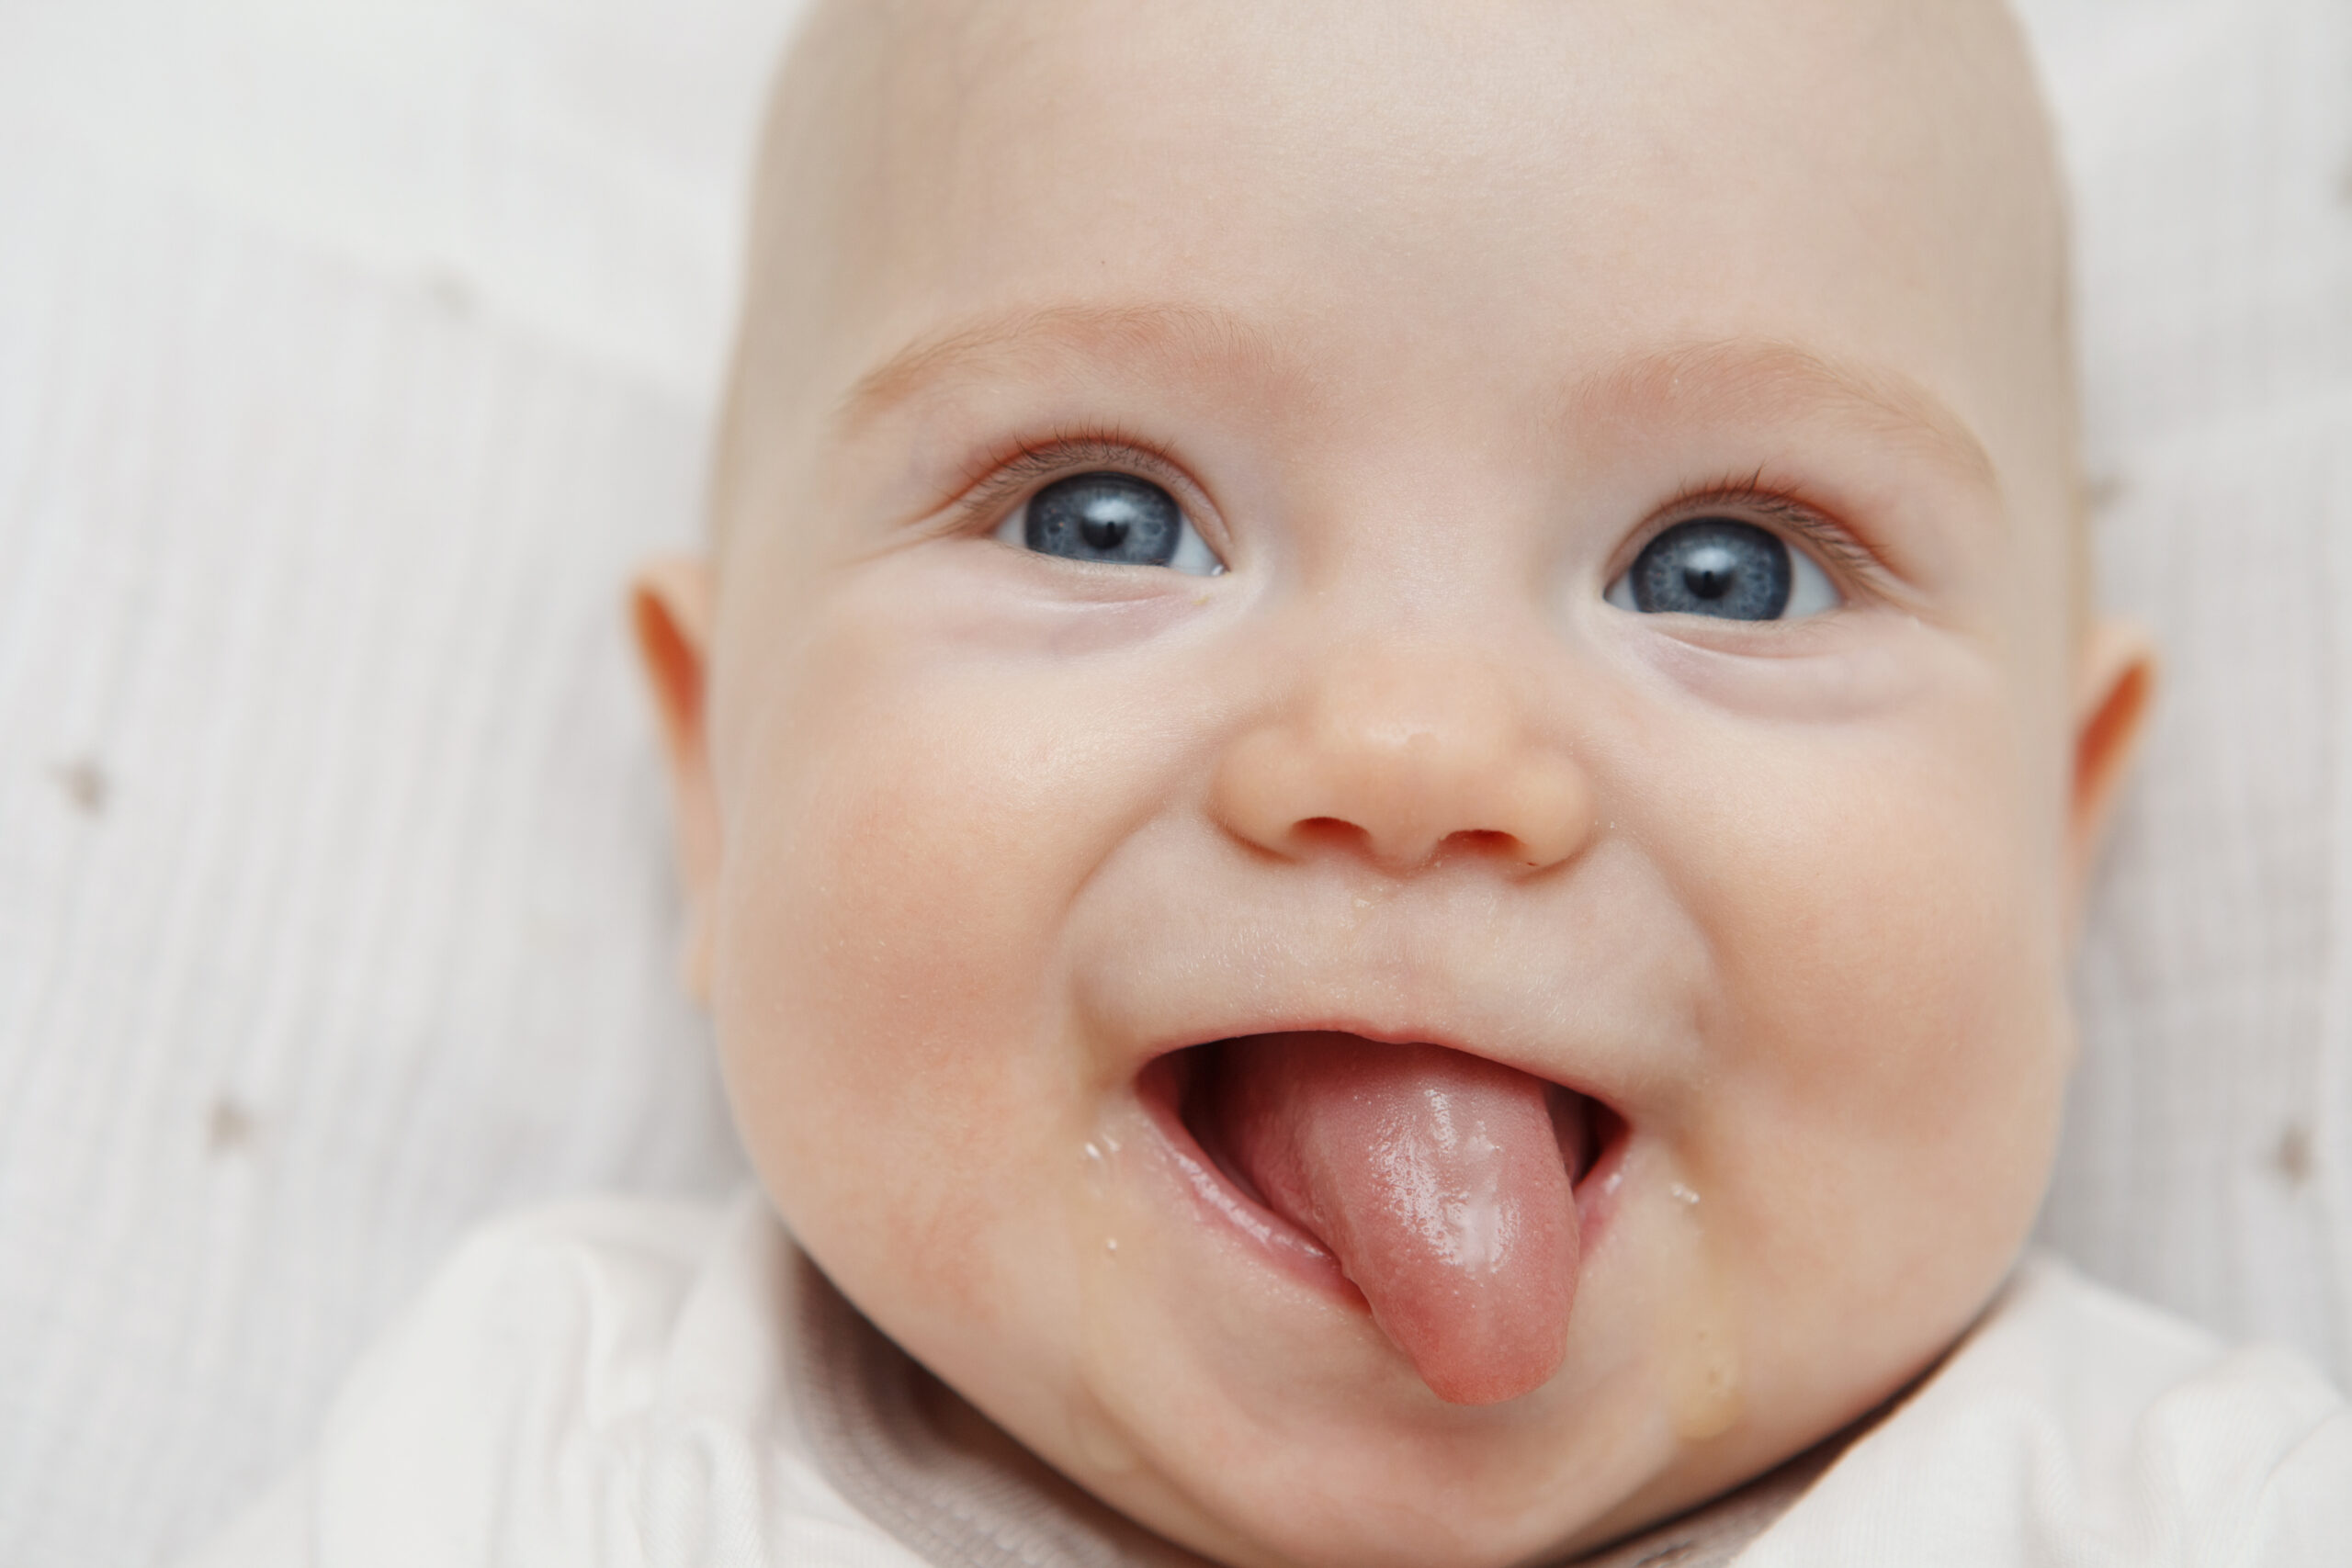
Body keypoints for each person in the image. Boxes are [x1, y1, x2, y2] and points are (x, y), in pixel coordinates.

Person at [188, 0, 2352, 1562]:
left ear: (2053, 851)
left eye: (1726, 567)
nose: (1411, 755)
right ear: (719, 782)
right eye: (1100, 520)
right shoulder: (531, 1456)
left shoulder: (2174, 1507)